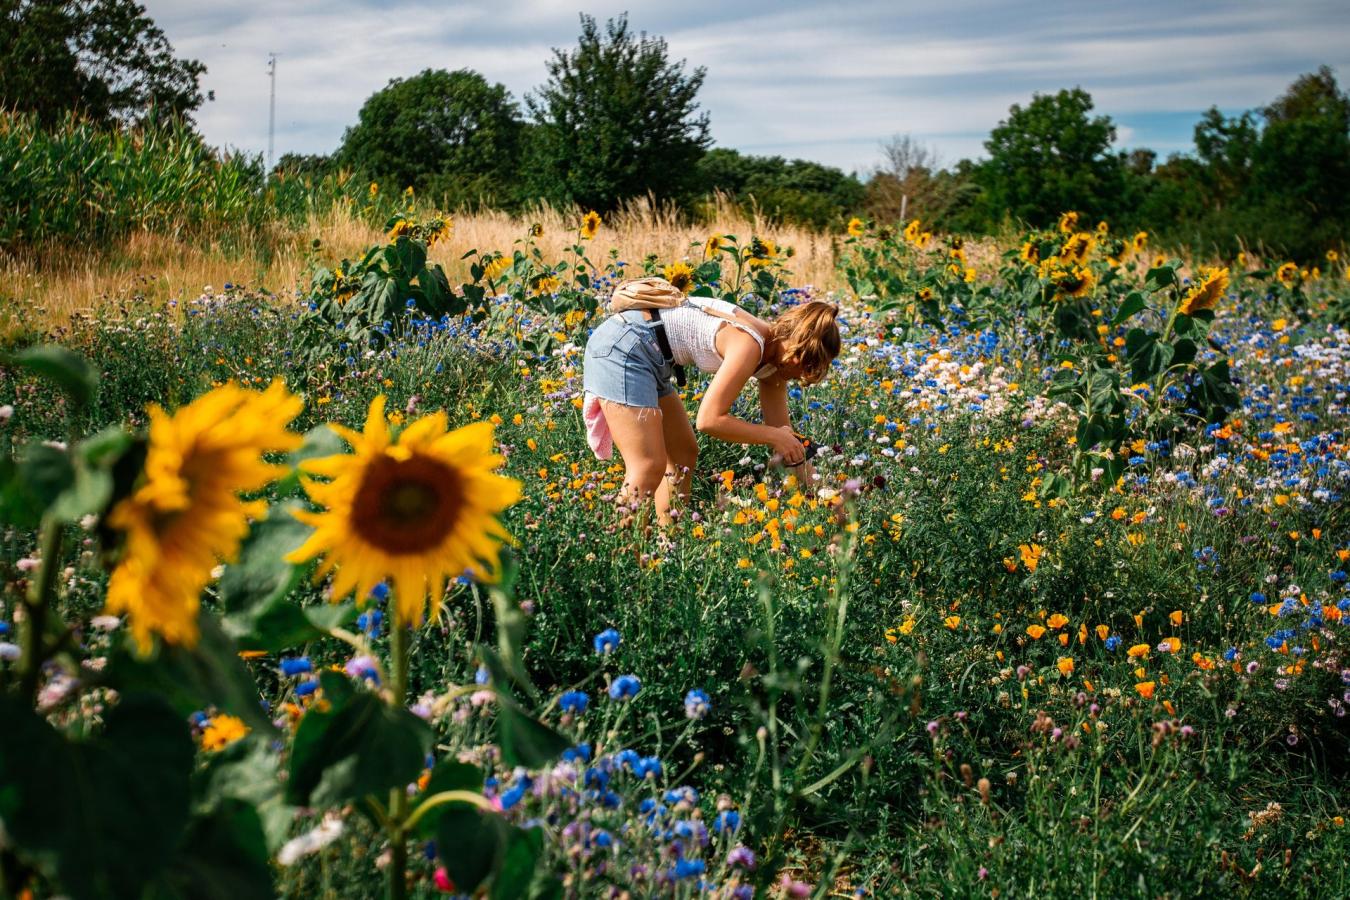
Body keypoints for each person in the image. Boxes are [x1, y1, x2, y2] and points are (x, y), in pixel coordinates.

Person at [581, 278, 841, 523]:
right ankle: (618, 556)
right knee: (647, 464)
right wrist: (774, 437)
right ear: (796, 353)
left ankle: (667, 546)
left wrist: (820, 494)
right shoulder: (750, 344)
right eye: (808, 365)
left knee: (682, 454)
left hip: (652, 357)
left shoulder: (774, 366)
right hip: (625, 348)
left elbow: (786, 441)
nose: (803, 376)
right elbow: (709, 420)